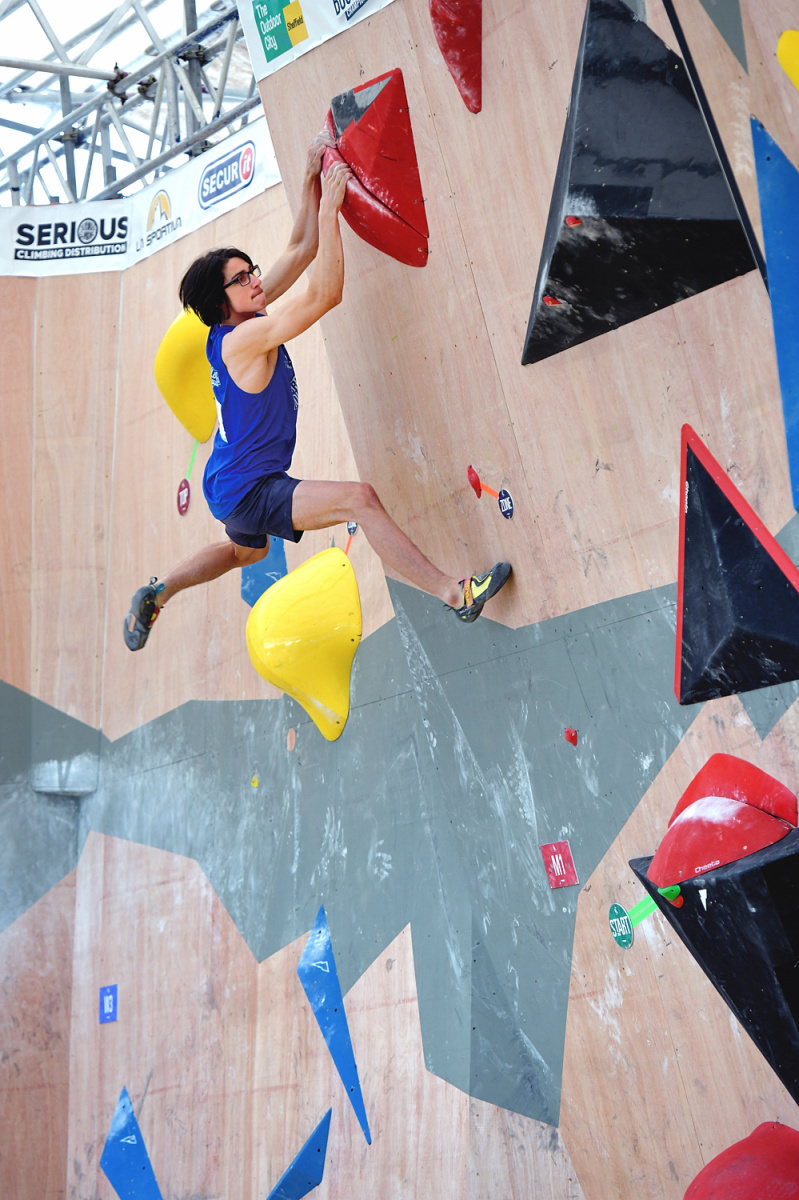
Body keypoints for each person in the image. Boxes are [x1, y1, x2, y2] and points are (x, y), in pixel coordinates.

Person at [124, 137, 511, 651]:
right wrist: (331, 209)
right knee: (360, 498)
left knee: (247, 554)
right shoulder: (244, 339)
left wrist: (310, 184)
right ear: (222, 301)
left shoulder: (243, 317)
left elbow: (300, 250)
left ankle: (160, 590)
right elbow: (326, 292)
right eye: (242, 278)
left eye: (250, 269)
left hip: (228, 477)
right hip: (248, 487)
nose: (255, 279)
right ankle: (454, 593)